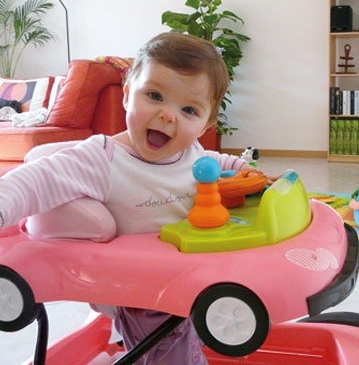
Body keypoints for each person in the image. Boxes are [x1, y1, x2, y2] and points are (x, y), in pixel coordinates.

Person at [0, 32, 278, 364]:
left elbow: (214, 163)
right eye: (155, 95)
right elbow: (33, 182)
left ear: (206, 124)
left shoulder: (190, 152)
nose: (168, 115)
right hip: (140, 296)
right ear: (128, 94)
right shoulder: (101, 159)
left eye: (189, 110)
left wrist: (245, 171)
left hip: (186, 282)